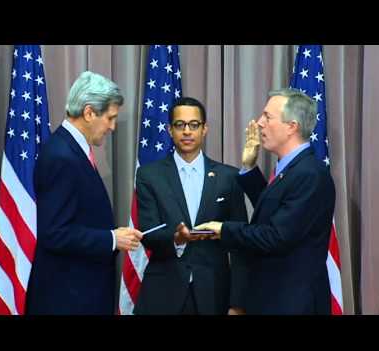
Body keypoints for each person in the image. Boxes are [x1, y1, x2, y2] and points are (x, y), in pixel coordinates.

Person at [195, 89, 336, 314]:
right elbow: (275, 210)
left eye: (267, 117)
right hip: (275, 297)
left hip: (293, 302)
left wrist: (223, 229)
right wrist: (250, 168)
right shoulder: (292, 169)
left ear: (292, 126)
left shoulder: (309, 173)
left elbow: (276, 235)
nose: (259, 123)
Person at [26, 71, 143, 315]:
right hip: (67, 299)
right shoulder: (62, 156)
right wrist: (112, 239)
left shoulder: (71, 149)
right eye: (109, 118)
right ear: (89, 112)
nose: (112, 126)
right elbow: (55, 233)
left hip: (79, 295)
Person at [133, 97, 249, 315]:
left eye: (194, 125)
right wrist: (176, 238)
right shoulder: (149, 175)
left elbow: (240, 242)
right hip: (164, 292)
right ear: (170, 130)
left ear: (204, 129)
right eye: (180, 125)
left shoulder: (229, 176)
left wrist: (238, 302)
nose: (187, 131)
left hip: (215, 292)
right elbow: (147, 234)